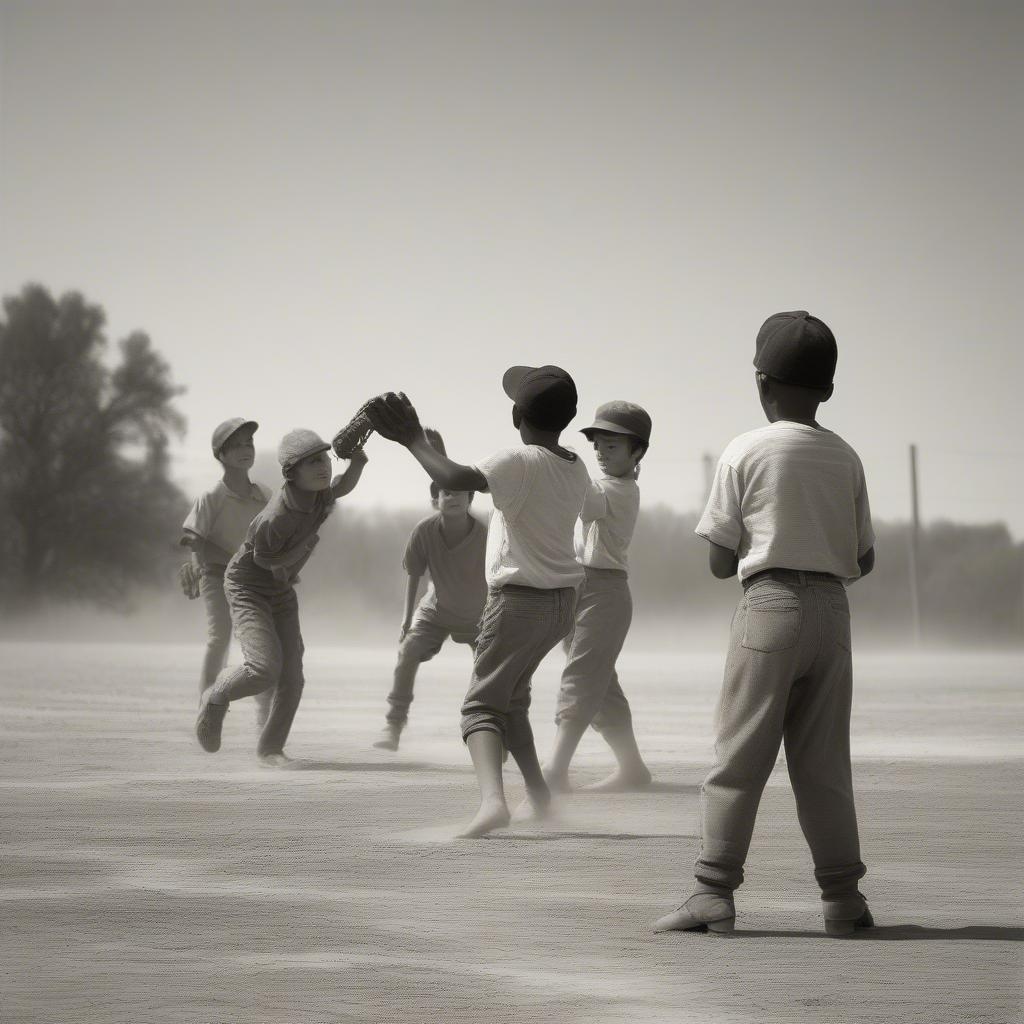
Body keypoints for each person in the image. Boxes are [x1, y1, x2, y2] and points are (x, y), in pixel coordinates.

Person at [654, 311, 876, 937]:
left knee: (739, 756)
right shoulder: (846, 456)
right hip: (832, 613)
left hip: (769, 604)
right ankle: (843, 900)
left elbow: (721, 560)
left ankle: (713, 893)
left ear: (760, 381)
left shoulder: (746, 449)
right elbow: (864, 557)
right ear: (828, 390)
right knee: (825, 763)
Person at [368, 367, 589, 837]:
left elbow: (458, 477)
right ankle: (540, 797)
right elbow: (469, 478)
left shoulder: (517, 460)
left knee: (481, 708)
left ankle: (493, 804)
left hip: (519, 602)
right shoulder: (575, 465)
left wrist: (412, 439)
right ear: (568, 418)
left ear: (516, 416)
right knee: (511, 703)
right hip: (561, 605)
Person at [195, 429, 368, 766]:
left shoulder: (316, 496)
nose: (324, 467)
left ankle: (270, 748)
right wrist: (299, 555)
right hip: (248, 586)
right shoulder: (277, 516)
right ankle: (215, 696)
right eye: (313, 462)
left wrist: (358, 463)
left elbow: (340, 488)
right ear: (291, 473)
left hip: (280, 586)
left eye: (325, 459)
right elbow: (264, 561)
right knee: (264, 668)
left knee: (292, 677)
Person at [543, 401, 653, 792]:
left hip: (605, 593)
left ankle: (555, 772)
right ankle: (632, 769)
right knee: (601, 686)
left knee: (581, 678)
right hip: (579, 587)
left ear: (636, 452)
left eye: (612, 448)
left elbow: (582, 502)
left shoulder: (621, 491)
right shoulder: (601, 484)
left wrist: (557, 461)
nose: (602, 455)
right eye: (598, 447)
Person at [373, 479, 487, 751]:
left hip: (477, 614)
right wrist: (406, 619)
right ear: (436, 500)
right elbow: (414, 575)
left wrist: (492, 617)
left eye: (460, 492)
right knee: (408, 651)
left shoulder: (483, 534)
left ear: (471, 499)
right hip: (435, 610)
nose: (453, 498)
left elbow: (493, 579)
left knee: (490, 672)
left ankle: (489, 734)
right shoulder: (424, 531)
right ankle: (393, 724)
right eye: (447, 492)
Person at [180, 418, 271, 719]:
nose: (246, 450)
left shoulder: (264, 495)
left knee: (265, 642)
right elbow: (195, 539)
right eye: (237, 446)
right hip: (217, 575)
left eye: (249, 444)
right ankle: (206, 707)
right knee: (220, 638)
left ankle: (266, 715)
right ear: (221, 455)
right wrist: (196, 567)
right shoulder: (211, 498)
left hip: (254, 579)